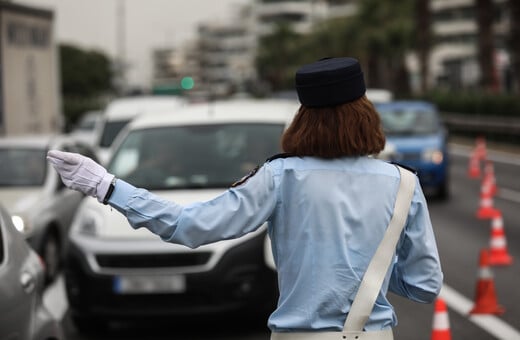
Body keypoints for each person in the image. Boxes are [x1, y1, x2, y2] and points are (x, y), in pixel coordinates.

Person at [47, 57, 443, 339]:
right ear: (366, 115)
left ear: (303, 119)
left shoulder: (280, 177)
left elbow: (189, 227)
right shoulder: (403, 183)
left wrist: (107, 186)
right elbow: (425, 285)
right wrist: (364, 271)